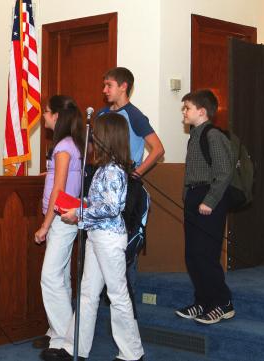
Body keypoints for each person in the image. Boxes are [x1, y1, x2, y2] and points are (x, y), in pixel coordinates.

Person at [48, 112, 144, 361]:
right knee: (88, 293)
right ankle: (74, 348)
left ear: (107, 138)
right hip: (96, 236)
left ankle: (132, 353)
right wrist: (80, 205)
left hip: (109, 240)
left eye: (96, 135)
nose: (91, 141)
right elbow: (98, 202)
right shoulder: (103, 169)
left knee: (117, 294)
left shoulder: (113, 171)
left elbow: (111, 208)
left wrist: (79, 213)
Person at [97, 67, 164, 316]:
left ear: (124, 87)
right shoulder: (103, 113)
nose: (105, 90)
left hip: (127, 188)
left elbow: (157, 149)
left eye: (109, 85)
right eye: (104, 85)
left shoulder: (134, 115)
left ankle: (127, 307)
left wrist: (136, 173)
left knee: (126, 248)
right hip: (103, 184)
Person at [175, 89, 235, 324]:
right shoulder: (195, 134)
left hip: (209, 199)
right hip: (194, 198)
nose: (184, 112)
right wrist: (187, 195)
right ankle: (203, 301)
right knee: (192, 255)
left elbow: (223, 172)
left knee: (206, 254)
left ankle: (222, 302)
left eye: (187, 108)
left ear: (201, 111)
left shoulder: (213, 135)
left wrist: (209, 201)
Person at [34, 95, 85, 360]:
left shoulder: (63, 146)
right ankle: (57, 335)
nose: (43, 116)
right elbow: (60, 177)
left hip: (61, 219)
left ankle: (70, 339)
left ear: (57, 116)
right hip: (64, 218)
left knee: (50, 278)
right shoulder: (69, 143)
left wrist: (45, 225)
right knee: (62, 279)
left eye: (46, 112)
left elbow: (59, 187)